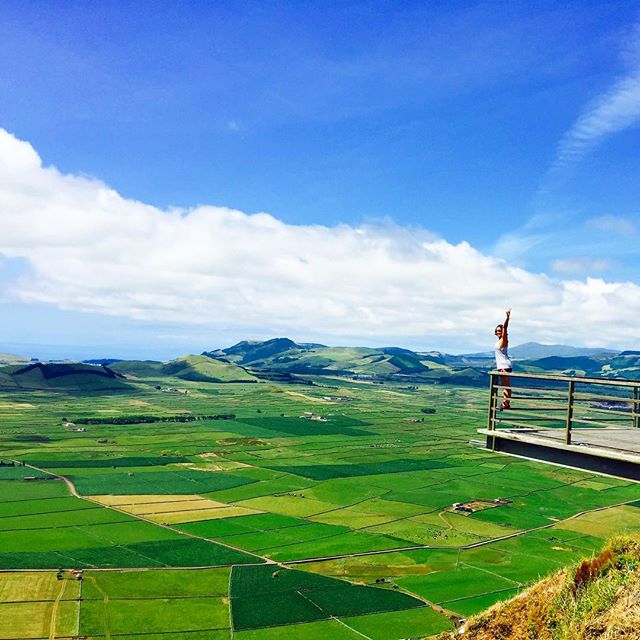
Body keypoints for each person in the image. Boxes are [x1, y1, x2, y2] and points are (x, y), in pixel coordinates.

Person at [494, 309, 512, 410]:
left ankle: (506, 404)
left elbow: (505, 327)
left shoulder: (504, 340)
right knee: (505, 386)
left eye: (499, 331)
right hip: (502, 366)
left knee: (506, 386)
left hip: (504, 366)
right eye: (496, 331)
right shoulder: (499, 341)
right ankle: (506, 403)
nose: (498, 332)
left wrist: (507, 318)